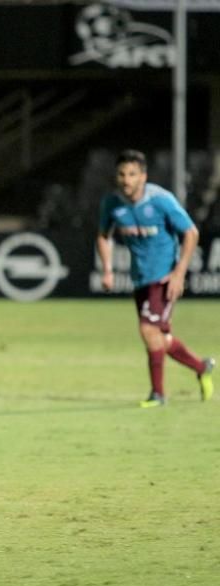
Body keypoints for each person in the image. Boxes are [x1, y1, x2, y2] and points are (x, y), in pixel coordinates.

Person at [97, 148, 214, 407]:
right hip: (140, 278)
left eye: (132, 174)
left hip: (163, 277)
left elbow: (191, 233)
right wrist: (107, 269)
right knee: (160, 339)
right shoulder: (112, 203)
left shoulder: (161, 200)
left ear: (143, 176)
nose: (126, 180)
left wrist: (178, 274)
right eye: (122, 174)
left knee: (148, 330)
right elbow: (103, 235)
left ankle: (158, 394)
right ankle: (202, 367)